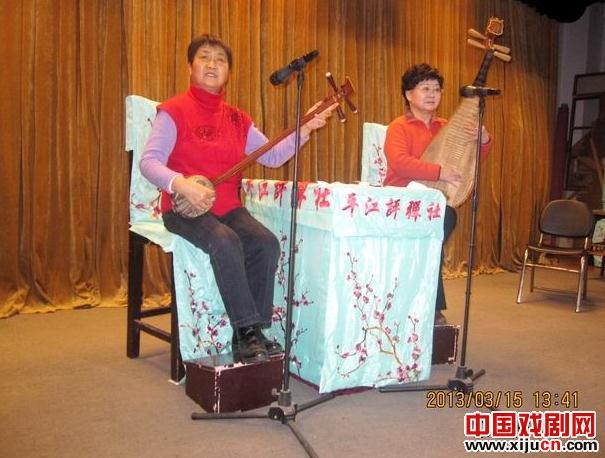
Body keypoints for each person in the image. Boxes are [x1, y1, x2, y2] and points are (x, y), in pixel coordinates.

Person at [140, 34, 336, 363]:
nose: (212, 64)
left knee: (265, 243)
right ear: (190, 66)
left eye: (220, 60)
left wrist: (306, 127)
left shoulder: (237, 118)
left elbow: (272, 156)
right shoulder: (173, 111)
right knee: (225, 240)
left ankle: (251, 331)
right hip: (183, 209)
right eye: (204, 57)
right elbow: (149, 162)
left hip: (228, 206)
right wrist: (181, 184)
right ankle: (247, 331)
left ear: (228, 71)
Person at [383, 63, 491, 325]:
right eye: (425, 88)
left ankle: (427, 304)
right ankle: (431, 307)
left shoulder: (447, 126)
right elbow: (399, 162)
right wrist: (439, 172)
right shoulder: (399, 126)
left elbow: (471, 159)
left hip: (433, 203)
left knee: (442, 223)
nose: (432, 94)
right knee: (435, 233)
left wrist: (483, 140)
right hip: (401, 200)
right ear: (409, 95)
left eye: (437, 89)